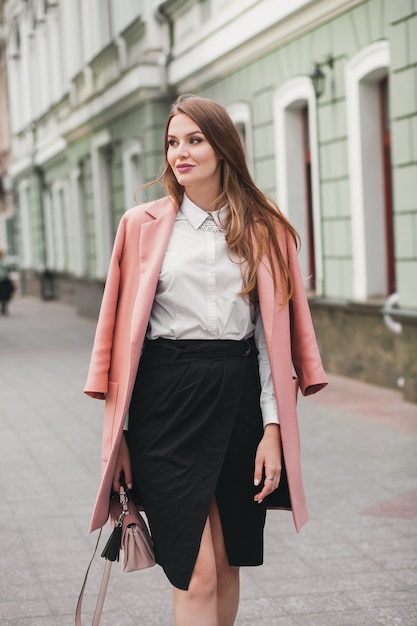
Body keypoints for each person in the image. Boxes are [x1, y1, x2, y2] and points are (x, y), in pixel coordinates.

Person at [84, 94, 328, 626]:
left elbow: (269, 340)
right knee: (195, 573)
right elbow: (128, 341)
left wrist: (273, 429)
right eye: (173, 142)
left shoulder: (265, 229)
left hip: (239, 401)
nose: (181, 153)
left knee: (227, 563)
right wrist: (120, 434)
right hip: (165, 404)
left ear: (223, 147)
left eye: (195, 140)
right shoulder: (141, 225)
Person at [0, 249, 15, 316]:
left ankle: (4, 307)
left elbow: (9, 269)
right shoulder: (4, 262)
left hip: (4, 281)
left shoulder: (5, 262)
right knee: (4, 295)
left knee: (5, 295)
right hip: (4, 280)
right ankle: (4, 307)